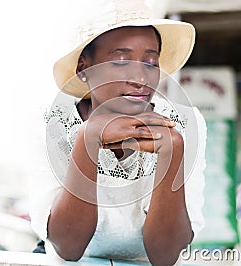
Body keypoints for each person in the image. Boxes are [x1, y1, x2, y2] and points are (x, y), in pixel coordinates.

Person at [29, 0, 206, 265]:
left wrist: (173, 151)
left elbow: (166, 255)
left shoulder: (184, 124)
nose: (141, 79)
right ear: (84, 69)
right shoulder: (51, 124)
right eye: (121, 61)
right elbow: (68, 247)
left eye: (150, 62)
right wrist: (88, 140)